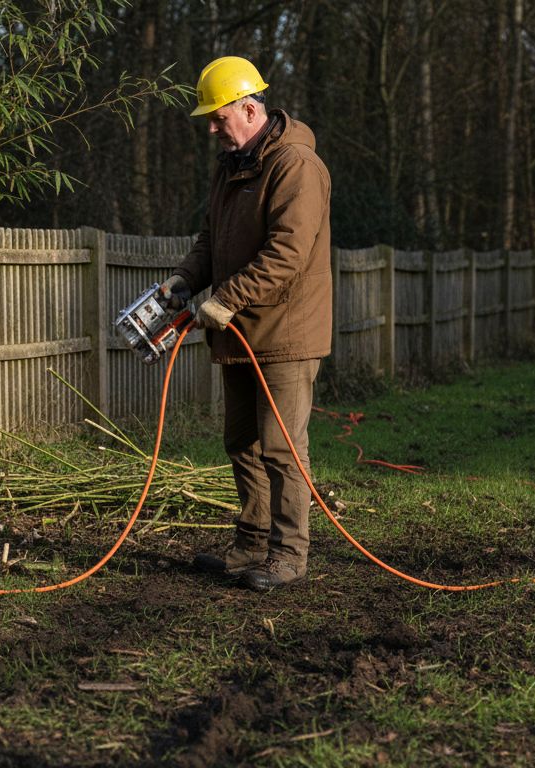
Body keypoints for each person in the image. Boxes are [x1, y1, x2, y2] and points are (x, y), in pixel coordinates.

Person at [160, 56, 332, 591]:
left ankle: (288, 556)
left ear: (250, 108)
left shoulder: (296, 165)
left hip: (286, 332)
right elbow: (211, 239)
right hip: (237, 330)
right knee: (241, 441)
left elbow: (287, 253)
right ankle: (251, 544)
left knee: (282, 449)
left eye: (218, 117)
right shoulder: (230, 167)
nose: (211, 128)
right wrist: (185, 281)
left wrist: (226, 298)